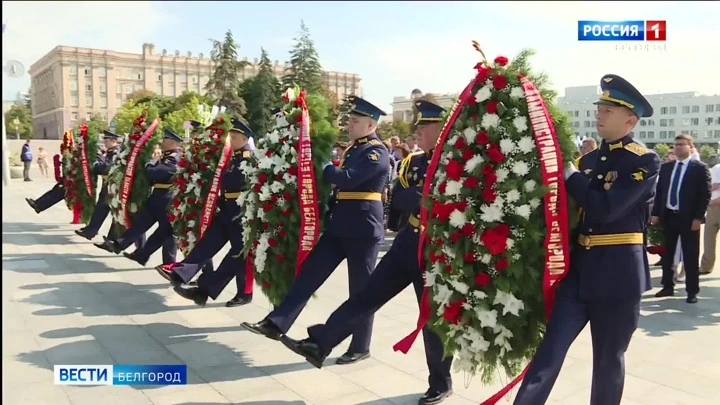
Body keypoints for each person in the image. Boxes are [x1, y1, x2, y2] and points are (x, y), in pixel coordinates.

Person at [279, 100, 453, 405]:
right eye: (419, 127)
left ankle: (440, 382)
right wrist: (424, 196)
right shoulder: (413, 162)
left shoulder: (456, 164)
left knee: (433, 319)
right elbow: (399, 199)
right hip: (406, 243)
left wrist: (422, 197)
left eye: (426, 127)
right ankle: (320, 343)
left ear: (443, 130)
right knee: (365, 296)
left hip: (436, 251)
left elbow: (441, 202)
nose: (419, 132)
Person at [514, 74, 660, 405]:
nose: (600, 114)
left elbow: (606, 208)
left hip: (619, 277)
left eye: (608, 110)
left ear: (630, 119)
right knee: (548, 353)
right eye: (600, 108)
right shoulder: (588, 162)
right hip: (579, 274)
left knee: (608, 362)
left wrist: (571, 176)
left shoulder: (644, 160)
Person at [241, 95, 390, 366]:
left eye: (355, 121)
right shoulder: (354, 149)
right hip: (339, 225)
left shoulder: (375, 152)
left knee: (360, 291)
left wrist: (320, 163)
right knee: (308, 276)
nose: (350, 125)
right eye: (350, 120)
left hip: (363, 230)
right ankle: (276, 323)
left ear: (371, 124)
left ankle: (360, 345)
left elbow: (347, 179)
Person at [160, 119, 256, 308]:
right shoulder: (231, 157)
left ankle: (240, 293)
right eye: (230, 136)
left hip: (241, 212)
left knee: (237, 256)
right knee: (207, 243)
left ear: (245, 139)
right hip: (226, 208)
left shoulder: (249, 159)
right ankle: (181, 273)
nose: (231, 139)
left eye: (235, 137)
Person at [100, 129, 182, 266]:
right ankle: (120, 245)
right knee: (140, 223)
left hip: (168, 198)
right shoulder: (165, 156)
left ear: (173, 142)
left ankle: (165, 262)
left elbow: (156, 174)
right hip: (157, 196)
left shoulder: (175, 158)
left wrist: (150, 164)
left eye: (165, 140)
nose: (162, 142)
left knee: (164, 232)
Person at [652, 134, 711, 303]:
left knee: (690, 255)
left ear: (690, 147)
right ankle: (667, 286)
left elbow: (705, 195)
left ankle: (692, 292)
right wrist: (656, 214)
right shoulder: (667, 167)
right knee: (667, 254)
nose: (677, 147)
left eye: (681, 144)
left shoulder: (699, 168)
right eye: (675, 145)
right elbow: (660, 193)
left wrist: (698, 218)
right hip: (669, 216)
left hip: (689, 219)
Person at [700, 162, 720, 274]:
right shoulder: (716, 168)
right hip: (712, 208)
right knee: (708, 240)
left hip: (714, 204)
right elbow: (711, 186)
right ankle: (706, 267)